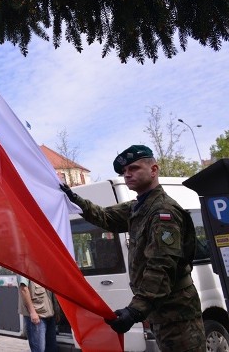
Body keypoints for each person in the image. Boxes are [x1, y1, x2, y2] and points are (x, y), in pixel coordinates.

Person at [61, 144, 205, 351]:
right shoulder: (139, 207)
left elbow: (160, 268)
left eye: (134, 168)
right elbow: (106, 217)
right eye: (124, 171)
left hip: (177, 313)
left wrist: (135, 311)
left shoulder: (162, 212)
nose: (127, 175)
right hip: (163, 312)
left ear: (153, 170)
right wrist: (75, 200)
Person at [18, 275, 57, 352]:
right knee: (39, 349)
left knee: (51, 348)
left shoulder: (42, 267)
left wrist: (56, 310)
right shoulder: (25, 267)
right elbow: (24, 289)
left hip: (49, 313)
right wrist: (32, 312)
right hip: (37, 316)